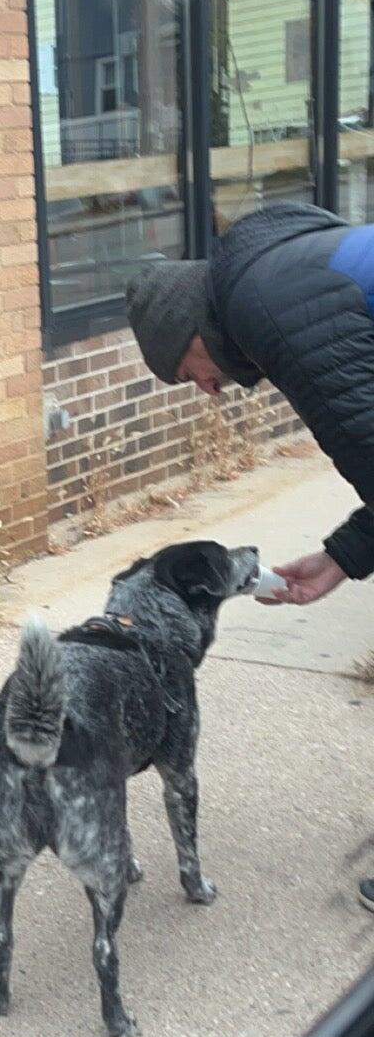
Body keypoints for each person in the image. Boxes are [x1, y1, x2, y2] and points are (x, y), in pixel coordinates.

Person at [125, 200, 374, 911]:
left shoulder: (269, 304)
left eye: (187, 371)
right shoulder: (285, 269)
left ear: (194, 333)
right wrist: (339, 557)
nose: (207, 390)